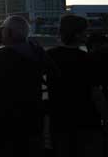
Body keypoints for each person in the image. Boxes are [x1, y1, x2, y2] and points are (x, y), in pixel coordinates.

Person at [0, 15, 53, 157]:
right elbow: (53, 72)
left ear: (8, 33)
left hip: (1, 124)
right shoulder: (37, 54)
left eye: (2, 30)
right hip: (31, 122)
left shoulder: (0, 56)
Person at [46, 15, 107, 157]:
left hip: (59, 121)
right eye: (85, 31)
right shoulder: (88, 59)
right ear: (78, 34)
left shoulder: (49, 56)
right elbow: (96, 94)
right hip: (87, 121)